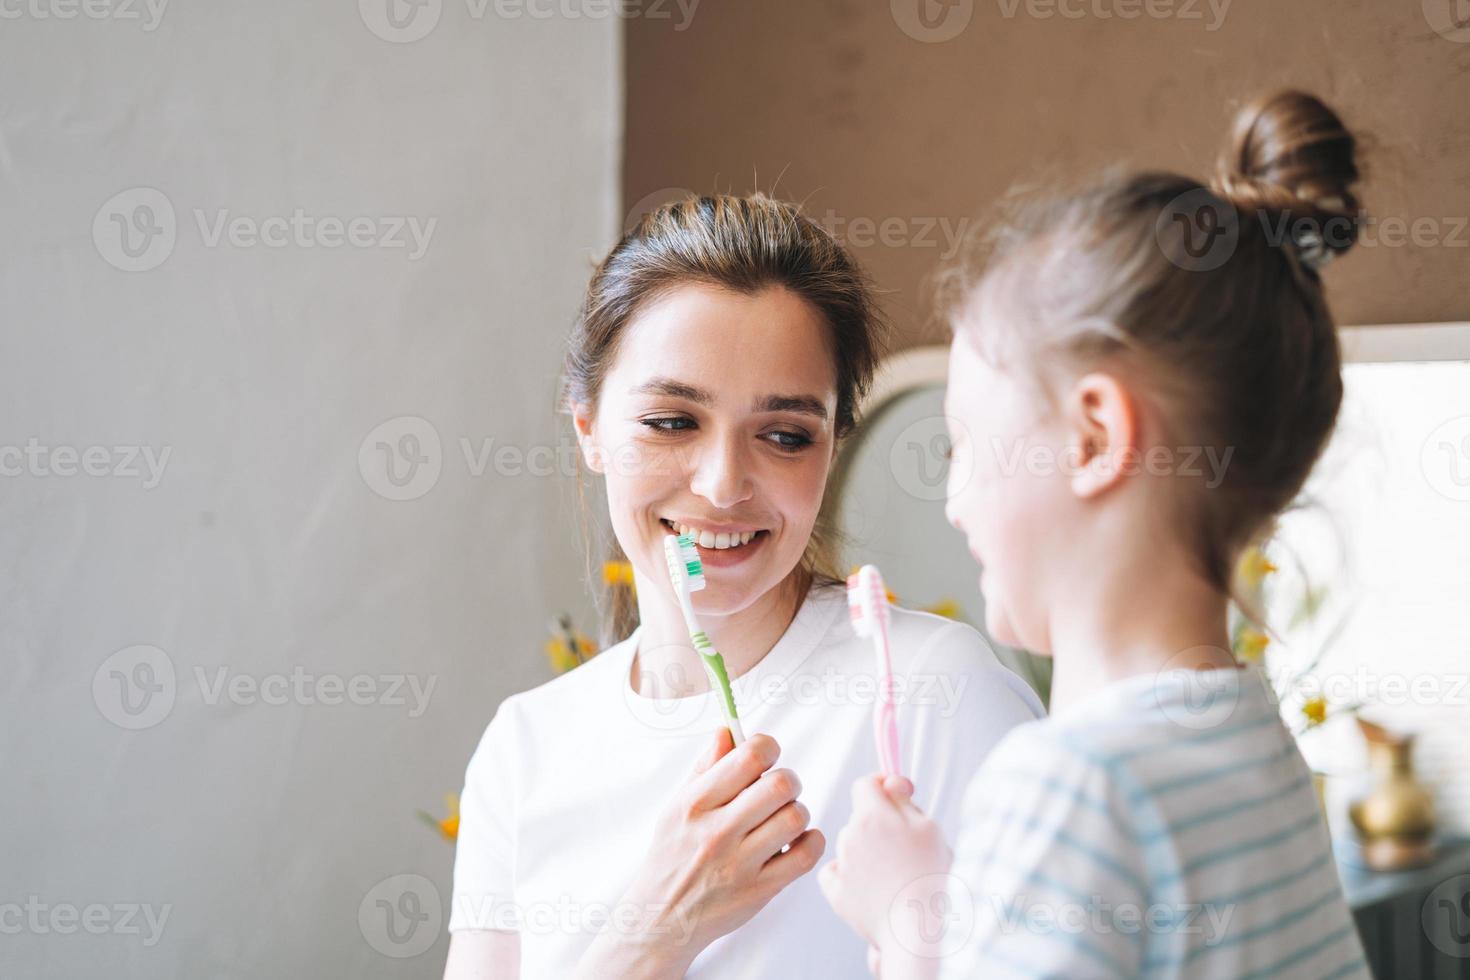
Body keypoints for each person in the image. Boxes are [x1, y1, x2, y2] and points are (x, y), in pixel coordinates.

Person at [819, 92, 1372, 980]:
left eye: (963, 446)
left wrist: (907, 925)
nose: (953, 502)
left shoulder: (1066, 785)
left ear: (1094, 440)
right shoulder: (1252, 739)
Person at [443, 194, 1044, 979]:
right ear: (589, 427)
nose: (724, 486)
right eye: (672, 422)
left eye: (785, 435)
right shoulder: (526, 748)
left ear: (829, 451)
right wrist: (655, 931)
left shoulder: (934, 694)